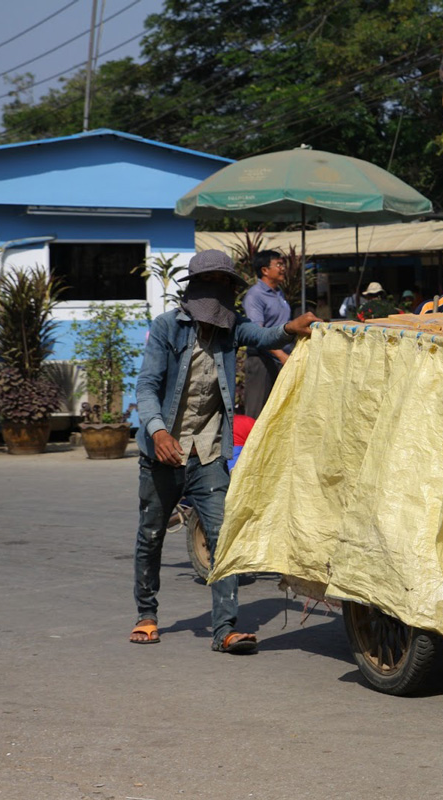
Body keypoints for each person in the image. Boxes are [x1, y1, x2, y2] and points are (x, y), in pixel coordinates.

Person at [130, 250, 320, 652]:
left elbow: (266, 337)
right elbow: (146, 386)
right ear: (196, 291)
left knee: (222, 536)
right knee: (151, 534)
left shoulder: (233, 326)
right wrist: (159, 431)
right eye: (211, 286)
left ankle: (225, 630)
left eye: (224, 286)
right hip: (163, 452)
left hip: (210, 450)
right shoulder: (167, 328)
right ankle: (147, 614)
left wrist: (292, 325)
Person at [242, 250, 293, 419]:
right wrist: (282, 356)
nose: (283, 268)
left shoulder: (279, 293)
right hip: (262, 360)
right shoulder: (254, 296)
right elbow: (258, 332)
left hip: (281, 359)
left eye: (283, 264)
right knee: (257, 414)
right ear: (265, 270)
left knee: (279, 413)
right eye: (278, 264)